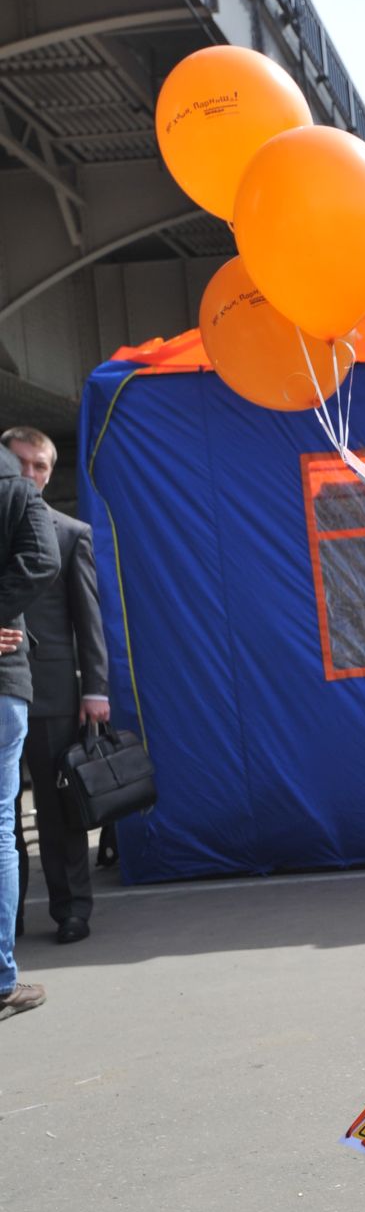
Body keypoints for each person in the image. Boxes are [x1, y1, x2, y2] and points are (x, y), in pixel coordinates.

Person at [2, 428, 110, 944]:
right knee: (4, 816)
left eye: (39, 467)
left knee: (56, 808)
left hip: (52, 690)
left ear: (48, 473)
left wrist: (96, 689)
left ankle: (72, 910)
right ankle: (11, 916)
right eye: (19, 463)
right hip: (6, 686)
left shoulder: (70, 533)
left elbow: (88, 619)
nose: (28, 474)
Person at [0, 440, 59, 1021]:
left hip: (23, 684)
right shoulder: (16, 495)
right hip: (6, 684)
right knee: (0, 828)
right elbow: (42, 562)